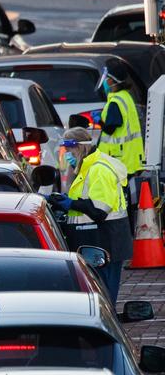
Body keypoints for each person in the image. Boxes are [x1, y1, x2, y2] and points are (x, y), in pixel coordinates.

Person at [48, 127, 131, 302]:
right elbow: (89, 199)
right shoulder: (89, 166)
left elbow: (99, 211)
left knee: (104, 297)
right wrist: (66, 202)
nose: (67, 154)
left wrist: (71, 203)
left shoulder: (99, 169)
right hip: (98, 241)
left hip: (105, 242)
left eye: (69, 149)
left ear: (79, 147)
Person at [95, 59, 145, 178]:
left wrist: (98, 121)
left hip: (117, 158)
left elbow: (110, 129)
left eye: (107, 78)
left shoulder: (115, 102)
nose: (105, 81)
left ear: (112, 80)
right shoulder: (125, 96)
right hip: (129, 158)